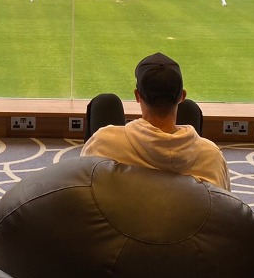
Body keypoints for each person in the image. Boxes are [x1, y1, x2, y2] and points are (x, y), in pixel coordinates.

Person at [81, 53, 229, 190]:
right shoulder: (211, 157)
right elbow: (227, 208)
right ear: (181, 96)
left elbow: (81, 190)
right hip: (186, 217)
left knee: (105, 103)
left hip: (121, 217)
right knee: (191, 109)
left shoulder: (103, 142)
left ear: (137, 96)